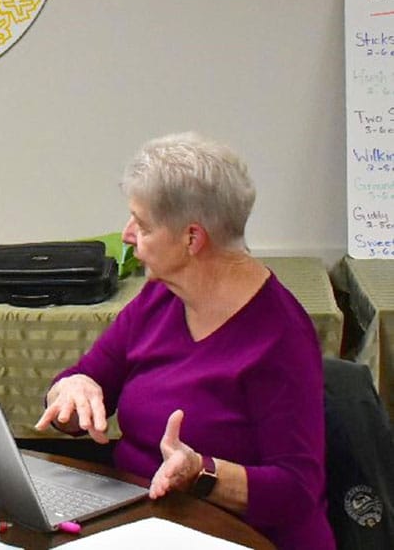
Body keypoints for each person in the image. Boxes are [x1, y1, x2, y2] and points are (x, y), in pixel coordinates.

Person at [35, 132, 334, 549]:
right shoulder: (160, 297)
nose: (126, 235)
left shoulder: (279, 336)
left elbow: (297, 492)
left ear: (192, 238)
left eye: (142, 224)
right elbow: (87, 381)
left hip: (241, 536)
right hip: (144, 523)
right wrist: (71, 389)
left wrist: (201, 472)